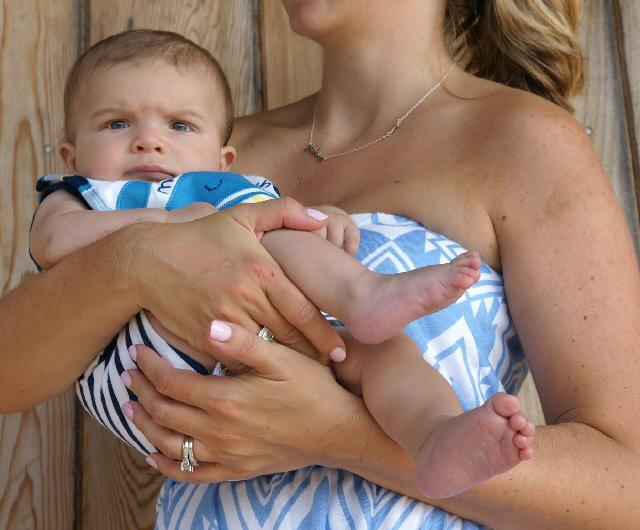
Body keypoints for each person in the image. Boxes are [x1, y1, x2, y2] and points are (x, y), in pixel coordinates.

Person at [1, 0, 639, 528]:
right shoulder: (200, 155)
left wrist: (339, 436)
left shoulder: (523, 141)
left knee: (376, 351)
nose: (144, 135)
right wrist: (139, 258)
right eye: (118, 123)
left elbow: (628, 486)